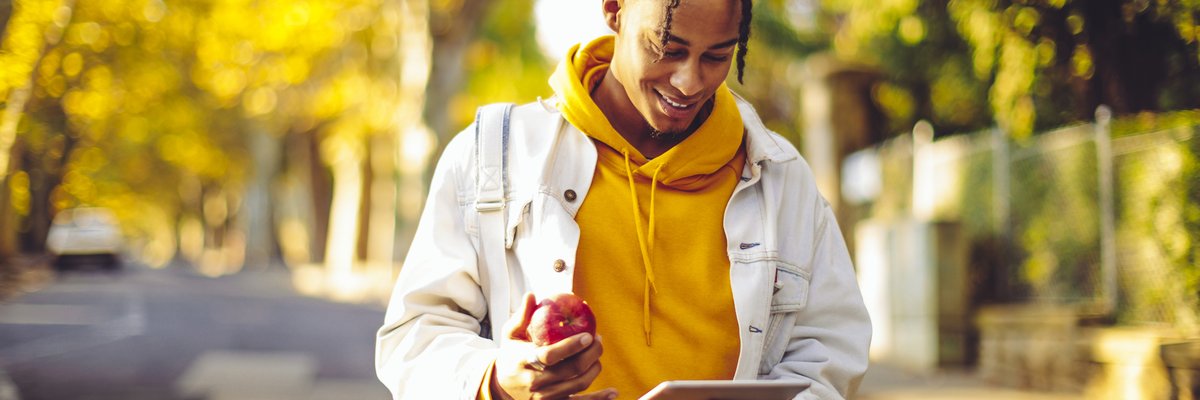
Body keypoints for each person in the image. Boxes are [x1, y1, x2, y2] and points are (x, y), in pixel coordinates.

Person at [375, 0, 872, 398]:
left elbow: (830, 350)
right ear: (614, 10)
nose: (689, 81)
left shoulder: (783, 180)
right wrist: (495, 381)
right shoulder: (493, 154)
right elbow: (413, 336)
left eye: (717, 56)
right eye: (666, 47)